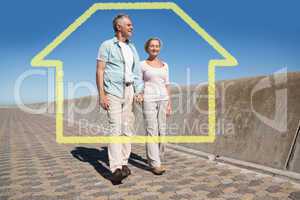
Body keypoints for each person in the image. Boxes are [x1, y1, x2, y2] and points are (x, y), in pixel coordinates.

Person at [96, 14, 143, 183]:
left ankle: (123, 163)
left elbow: (136, 72)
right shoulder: (107, 45)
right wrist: (101, 94)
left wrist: (139, 91)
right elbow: (100, 70)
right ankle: (115, 168)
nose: (132, 27)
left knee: (127, 128)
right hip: (113, 91)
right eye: (129, 25)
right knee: (115, 127)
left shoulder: (133, 48)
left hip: (130, 91)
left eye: (132, 25)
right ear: (118, 27)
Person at [141, 38, 172, 175]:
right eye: (152, 46)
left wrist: (169, 103)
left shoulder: (165, 65)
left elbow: (167, 85)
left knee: (162, 131)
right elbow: (137, 81)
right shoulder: (142, 64)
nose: (155, 48)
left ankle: (157, 157)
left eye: (157, 46)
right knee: (152, 130)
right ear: (147, 48)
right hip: (149, 99)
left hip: (163, 99)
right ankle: (155, 164)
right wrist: (139, 93)